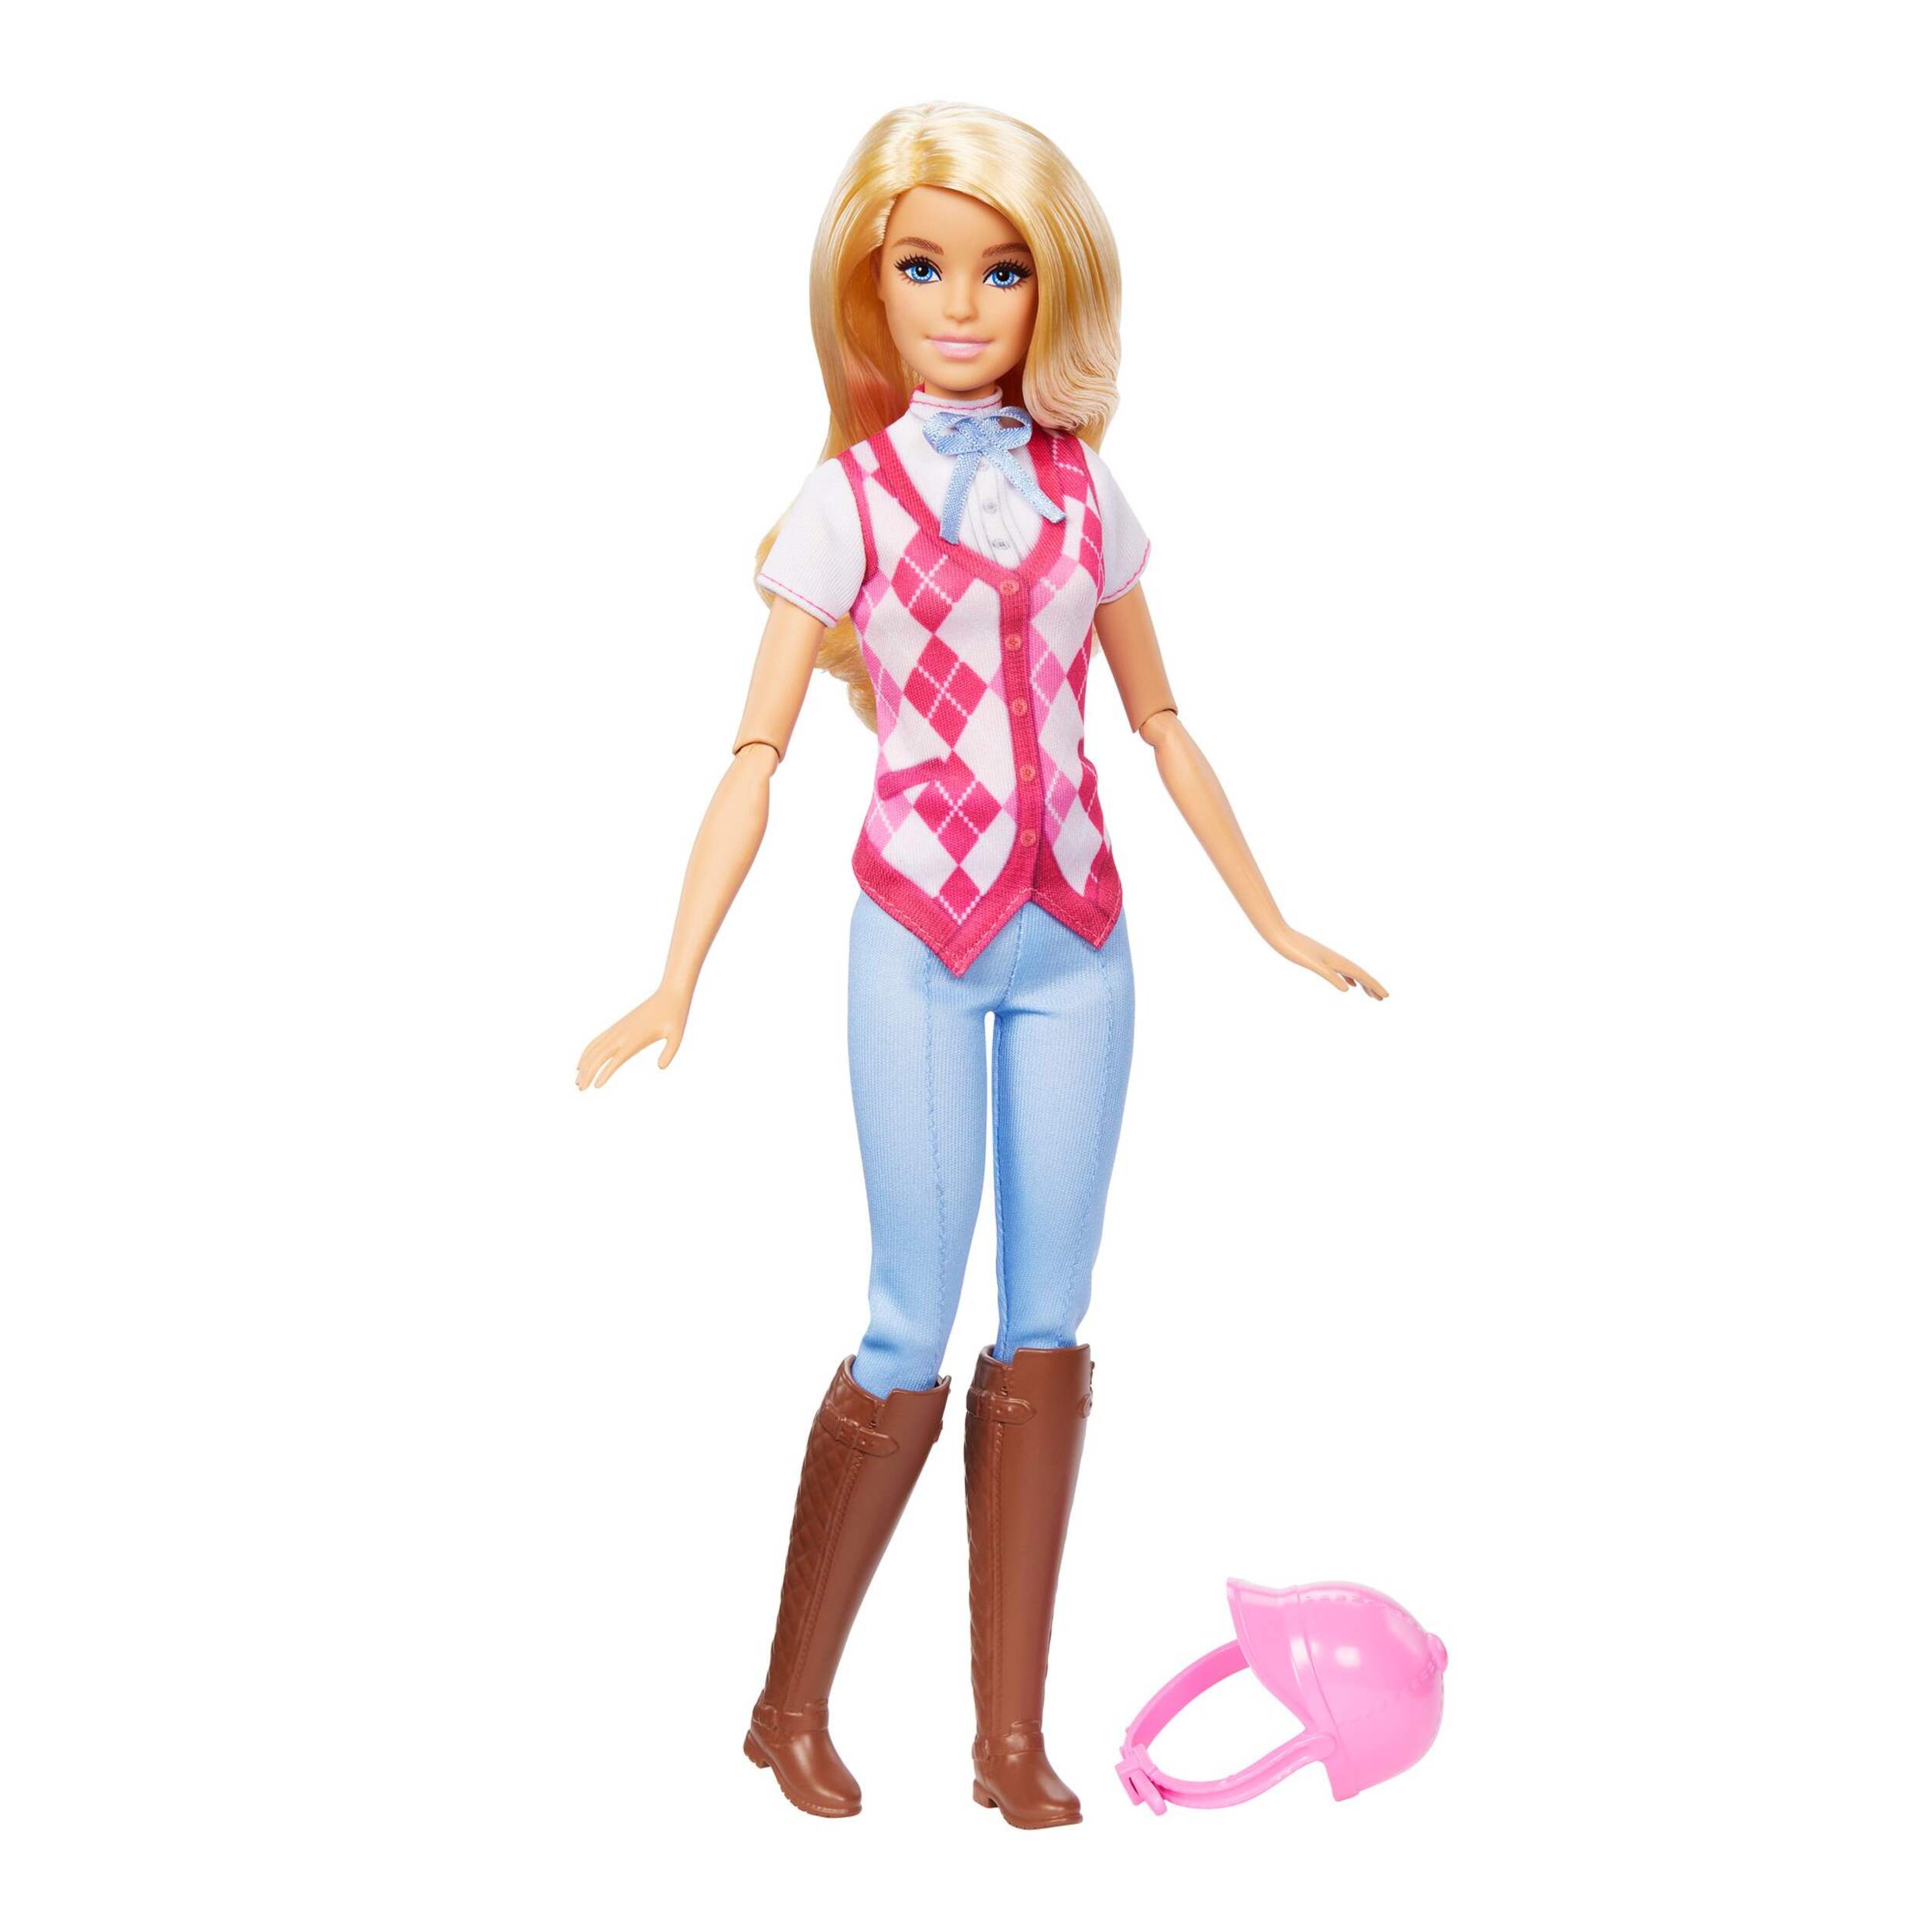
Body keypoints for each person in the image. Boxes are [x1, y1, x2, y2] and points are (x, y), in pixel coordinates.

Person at [577, 101, 1386, 1828]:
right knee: (907, 1313)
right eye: (923, 267)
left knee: (1046, 1325)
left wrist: (1271, 916)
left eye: (1000, 270)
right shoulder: (847, 501)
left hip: (1080, 935)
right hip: (919, 938)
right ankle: (787, 1704)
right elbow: (751, 756)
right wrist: (674, 975)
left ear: (1052, 287)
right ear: (866, 287)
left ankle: (1006, 1738)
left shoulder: (1088, 489)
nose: (961, 304)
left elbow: (1161, 719)